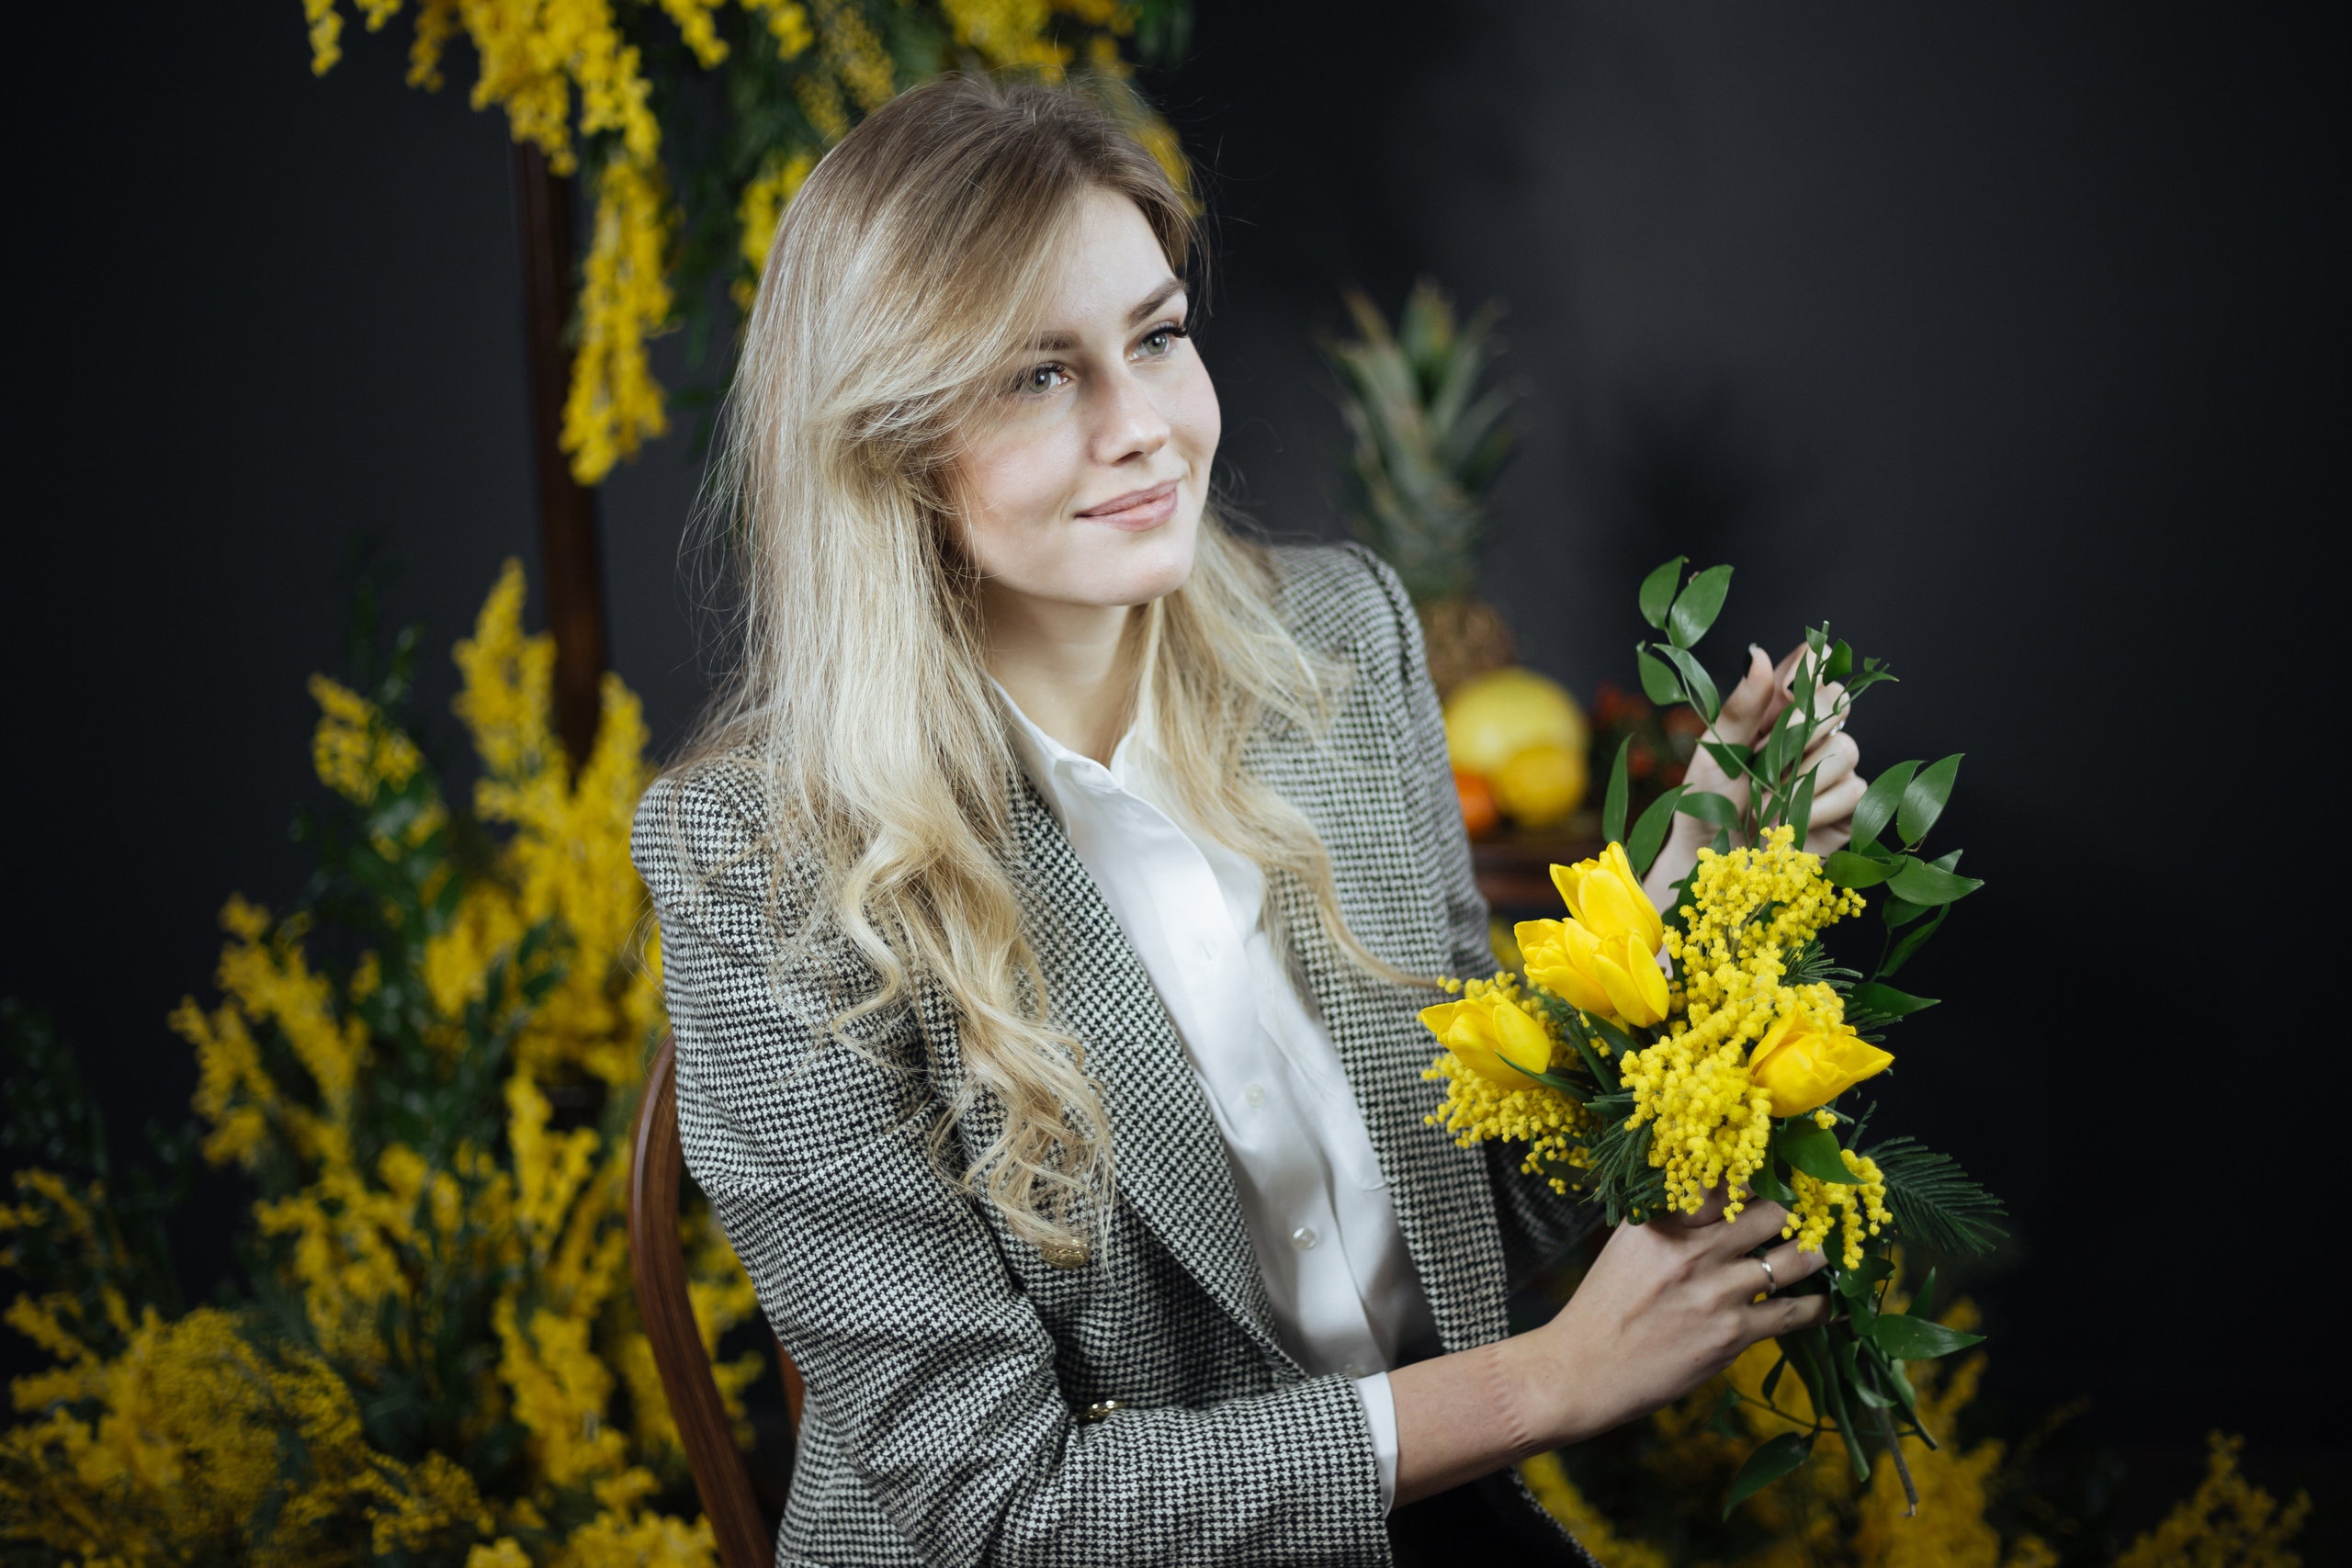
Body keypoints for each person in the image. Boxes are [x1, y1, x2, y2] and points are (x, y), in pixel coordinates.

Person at [633, 73, 1870, 1567]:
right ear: (885, 448)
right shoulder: (758, 869)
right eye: (1038, 376)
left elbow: (1462, 1216)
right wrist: (1548, 1383)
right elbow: (997, 1509)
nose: (1142, 425)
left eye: (1156, 337)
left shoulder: (1340, 648)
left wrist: (1687, 890)